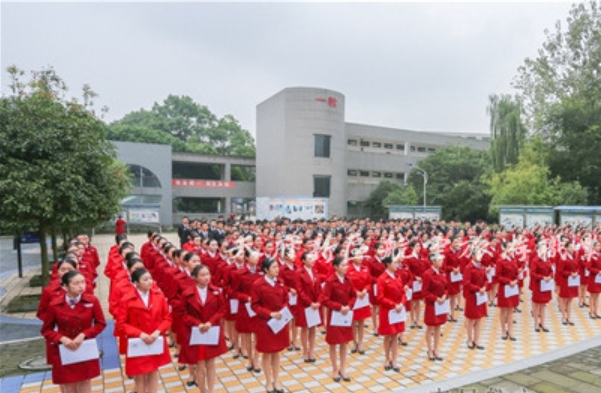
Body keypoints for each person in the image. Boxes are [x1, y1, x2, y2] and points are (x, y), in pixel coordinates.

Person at [41, 271, 106, 393]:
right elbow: (46, 330)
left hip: (84, 346)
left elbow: (100, 324)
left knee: (85, 383)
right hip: (64, 349)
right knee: (68, 385)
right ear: (65, 286)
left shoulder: (92, 301)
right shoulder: (55, 304)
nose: (81, 286)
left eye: (83, 282)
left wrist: (84, 334)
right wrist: (61, 338)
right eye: (76, 283)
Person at [116, 268, 172, 393]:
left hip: (154, 339)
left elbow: (167, 318)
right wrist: (139, 334)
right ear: (136, 283)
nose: (149, 282)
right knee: (139, 376)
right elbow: (121, 324)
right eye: (145, 279)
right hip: (138, 341)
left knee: (153, 372)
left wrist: (158, 332)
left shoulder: (159, 296)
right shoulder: (127, 299)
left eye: (150, 278)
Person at [182, 264, 228, 393]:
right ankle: (203, 390)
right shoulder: (188, 294)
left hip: (211, 330)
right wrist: (197, 323)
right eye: (202, 275)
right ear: (195, 277)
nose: (206, 278)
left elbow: (222, 309)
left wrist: (210, 322)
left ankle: (211, 390)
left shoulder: (216, 291)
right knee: (200, 364)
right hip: (197, 333)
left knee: (211, 364)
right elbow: (183, 314)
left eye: (208, 274)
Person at [251, 257, 290, 393]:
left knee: (277, 353)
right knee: (267, 353)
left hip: (279, 322)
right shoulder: (258, 284)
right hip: (265, 323)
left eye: (277, 267)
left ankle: (276, 380)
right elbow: (254, 305)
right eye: (274, 267)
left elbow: (286, 299)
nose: (277, 269)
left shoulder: (280, 282)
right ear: (266, 269)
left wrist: (283, 310)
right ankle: (268, 382)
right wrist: (270, 313)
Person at [320, 256, 356, 383]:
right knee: (333, 343)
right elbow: (324, 299)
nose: (346, 267)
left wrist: (349, 306)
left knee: (344, 343)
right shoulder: (330, 281)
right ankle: (335, 369)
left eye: (346, 265)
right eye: (343, 265)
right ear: (336, 267)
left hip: (345, 315)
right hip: (335, 316)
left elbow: (353, 295)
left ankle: (343, 368)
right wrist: (339, 307)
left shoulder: (348, 280)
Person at [376, 253, 406, 372]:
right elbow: (380, 297)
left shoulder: (397, 277)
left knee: (395, 335)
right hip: (388, 311)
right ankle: (387, 358)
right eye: (394, 263)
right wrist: (393, 305)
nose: (397, 265)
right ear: (388, 264)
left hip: (398, 310)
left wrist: (402, 303)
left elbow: (403, 292)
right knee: (388, 335)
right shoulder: (382, 279)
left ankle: (394, 359)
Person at [296, 252, 322, 363]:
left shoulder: (315, 272)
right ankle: (305, 351)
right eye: (310, 259)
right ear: (304, 261)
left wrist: (319, 301)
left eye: (313, 258)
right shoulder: (299, 273)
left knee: (312, 328)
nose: (313, 260)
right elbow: (299, 290)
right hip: (305, 304)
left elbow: (320, 289)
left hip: (315, 304)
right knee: (304, 328)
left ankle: (311, 350)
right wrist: (309, 302)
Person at [423, 253, 448, 361]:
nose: (441, 262)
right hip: (432, 304)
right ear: (433, 261)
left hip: (441, 304)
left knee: (438, 327)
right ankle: (429, 349)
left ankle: (436, 348)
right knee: (430, 327)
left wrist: (444, 296)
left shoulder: (442, 273)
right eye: (439, 260)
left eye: (441, 260)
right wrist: (436, 298)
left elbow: (447, 287)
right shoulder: (428, 274)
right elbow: (425, 292)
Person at [462, 251, 488, 349]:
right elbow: (467, 283)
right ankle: (469, 339)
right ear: (473, 256)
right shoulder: (468, 268)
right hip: (472, 296)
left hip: (481, 295)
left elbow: (486, 279)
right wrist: (478, 289)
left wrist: (485, 287)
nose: (480, 256)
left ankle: (477, 340)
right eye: (478, 254)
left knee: (479, 318)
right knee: (471, 319)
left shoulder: (481, 266)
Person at [496, 245, 519, 340]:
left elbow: (517, 273)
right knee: (503, 310)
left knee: (511, 310)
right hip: (504, 287)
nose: (511, 250)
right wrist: (509, 281)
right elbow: (498, 276)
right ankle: (503, 330)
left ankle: (510, 330)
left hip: (513, 287)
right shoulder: (500, 261)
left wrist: (516, 280)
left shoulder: (514, 260)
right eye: (509, 248)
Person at [530, 245, 554, 332]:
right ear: (539, 250)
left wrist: (550, 276)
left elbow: (551, 271)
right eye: (543, 249)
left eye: (545, 249)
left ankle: (543, 323)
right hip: (538, 285)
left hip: (546, 285)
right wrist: (542, 277)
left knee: (543, 305)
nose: (545, 250)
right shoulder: (535, 260)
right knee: (536, 305)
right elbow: (532, 273)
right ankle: (536, 323)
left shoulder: (547, 260)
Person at [557, 242, 579, 326]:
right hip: (565, 281)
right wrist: (570, 273)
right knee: (564, 300)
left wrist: (576, 272)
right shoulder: (563, 257)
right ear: (566, 248)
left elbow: (577, 267)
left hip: (573, 281)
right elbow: (560, 270)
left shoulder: (573, 256)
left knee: (570, 300)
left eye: (573, 247)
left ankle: (569, 317)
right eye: (570, 247)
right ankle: (563, 317)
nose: (572, 249)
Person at [587, 241, 601, 319]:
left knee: (597, 295)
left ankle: (596, 311)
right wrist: (597, 271)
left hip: (599, 278)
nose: (599, 247)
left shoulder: (600, 255)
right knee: (592, 295)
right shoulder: (591, 255)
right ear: (594, 247)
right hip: (593, 278)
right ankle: (591, 311)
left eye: (600, 245)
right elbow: (589, 267)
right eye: (598, 245)